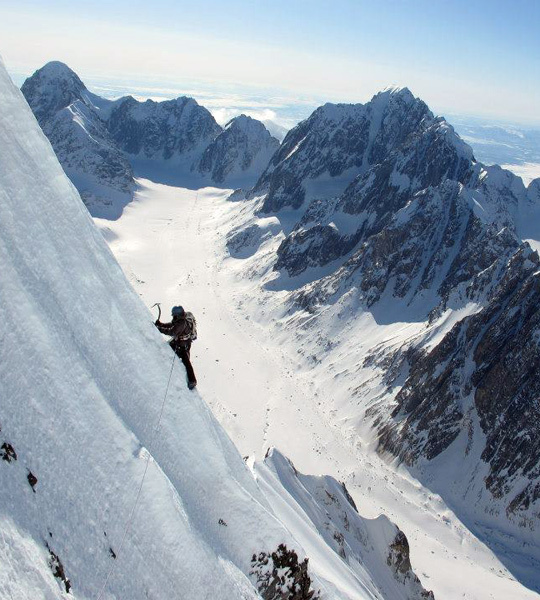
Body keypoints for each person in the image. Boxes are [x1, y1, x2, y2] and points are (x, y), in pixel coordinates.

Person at [155, 305, 197, 389]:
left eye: (174, 316)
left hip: (183, 345)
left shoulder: (181, 323)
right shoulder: (180, 320)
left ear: (177, 315)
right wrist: (161, 324)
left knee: (186, 362)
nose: (173, 317)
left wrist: (159, 328)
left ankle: (192, 380)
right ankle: (192, 380)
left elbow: (171, 331)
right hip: (183, 342)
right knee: (185, 360)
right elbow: (172, 325)